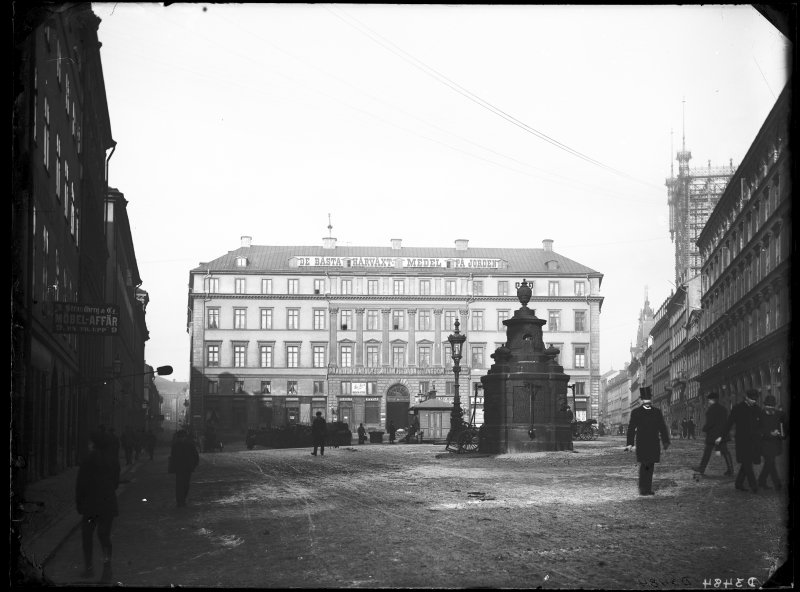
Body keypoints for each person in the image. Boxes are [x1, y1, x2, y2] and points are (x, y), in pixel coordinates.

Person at [76, 430, 120, 582]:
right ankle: (107, 569)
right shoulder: (113, 460)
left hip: (90, 507)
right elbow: (115, 482)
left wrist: (79, 503)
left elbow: (80, 484)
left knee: (87, 536)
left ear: (93, 443)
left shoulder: (87, 459)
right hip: (107, 505)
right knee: (105, 536)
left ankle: (89, 568)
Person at [625, 387, 670, 496]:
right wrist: (630, 443)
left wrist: (665, 441)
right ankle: (643, 488)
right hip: (645, 442)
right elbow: (631, 428)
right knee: (645, 464)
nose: (647, 401)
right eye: (647, 399)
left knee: (650, 465)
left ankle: (646, 488)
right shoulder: (645, 412)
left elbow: (662, 427)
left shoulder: (650, 412)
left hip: (650, 442)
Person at [718, 389, 763, 493]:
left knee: (746, 463)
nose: (754, 401)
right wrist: (722, 436)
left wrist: (760, 434)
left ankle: (738, 483)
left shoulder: (757, 409)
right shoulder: (738, 408)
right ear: (747, 397)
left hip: (754, 442)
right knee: (747, 463)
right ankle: (754, 486)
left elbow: (762, 425)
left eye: (755, 400)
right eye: (752, 399)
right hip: (742, 441)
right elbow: (729, 423)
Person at [693, 392, 733, 476]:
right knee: (725, 451)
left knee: (707, 452)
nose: (708, 401)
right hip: (722, 434)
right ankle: (730, 469)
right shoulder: (723, 409)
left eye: (709, 400)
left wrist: (704, 428)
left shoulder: (711, 409)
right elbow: (726, 422)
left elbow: (710, 422)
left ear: (712, 400)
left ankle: (702, 468)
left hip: (713, 434)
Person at [758, 395, 787, 491]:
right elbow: (758, 429)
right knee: (771, 463)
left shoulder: (779, 414)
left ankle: (761, 481)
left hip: (775, 444)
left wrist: (782, 434)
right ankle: (777, 484)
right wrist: (770, 433)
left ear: (774, 406)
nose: (770, 408)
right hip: (765, 443)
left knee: (769, 463)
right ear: (765, 405)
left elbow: (785, 425)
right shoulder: (760, 414)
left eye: (772, 406)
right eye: (768, 406)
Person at [170, 429, 200, 507]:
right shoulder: (176, 446)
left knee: (185, 485)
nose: (181, 438)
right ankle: (180, 501)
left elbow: (195, 456)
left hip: (186, 468)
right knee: (180, 485)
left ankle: (182, 499)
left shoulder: (189, 445)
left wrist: (193, 465)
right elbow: (173, 457)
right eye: (180, 437)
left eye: (182, 437)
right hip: (182, 468)